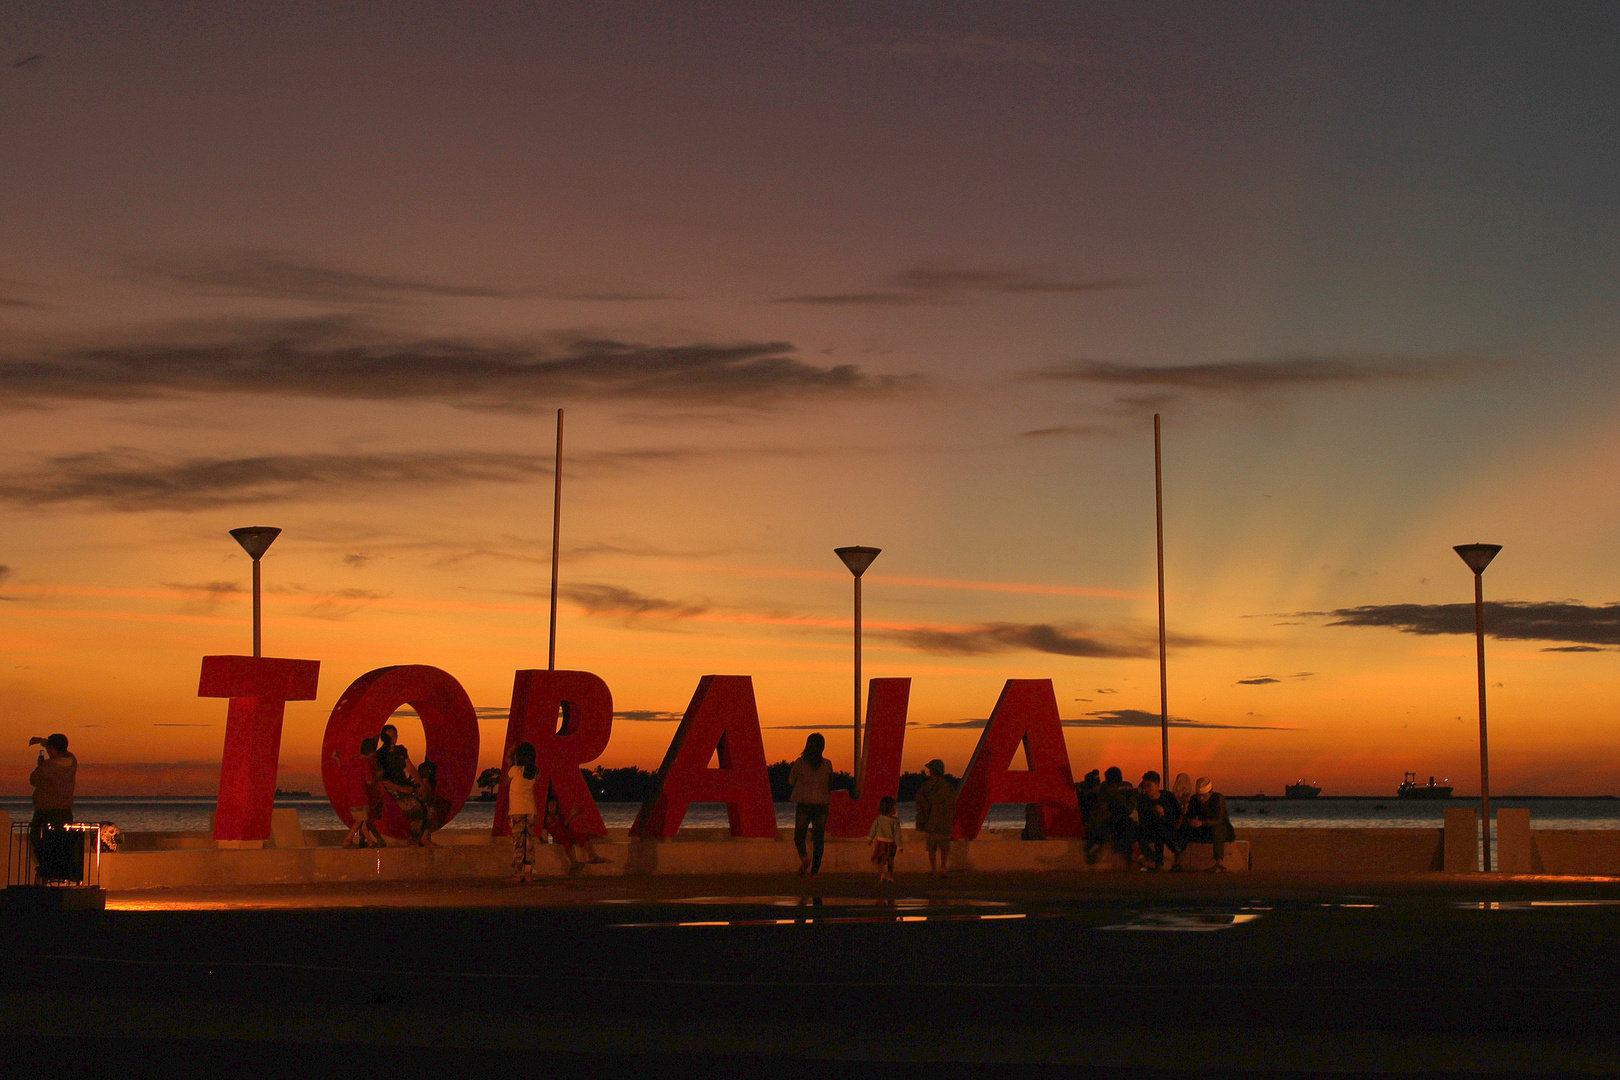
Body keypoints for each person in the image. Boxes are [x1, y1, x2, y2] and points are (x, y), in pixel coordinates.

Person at [28, 734, 77, 868]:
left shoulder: (48, 766)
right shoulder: (72, 761)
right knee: (61, 844)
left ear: (53, 749)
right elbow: (66, 752)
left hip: (46, 812)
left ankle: (45, 870)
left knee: (39, 843)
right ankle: (60, 874)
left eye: (50, 748)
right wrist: (45, 742)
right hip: (65, 811)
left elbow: (33, 780)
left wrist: (40, 766)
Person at [788, 733, 833, 876]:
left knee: (799, 835)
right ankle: (815, 869)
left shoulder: (800, 763)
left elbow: (790, 781)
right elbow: (830, 782)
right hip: (822, 804)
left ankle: (804, 857)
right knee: (819, 838)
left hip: (804, 803)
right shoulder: (827, 764)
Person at [376, 730, 428, 845]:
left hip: (405, 785)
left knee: (429, 805)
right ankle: (413, 839)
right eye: (390, 736)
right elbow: (382, 779)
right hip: (393, 788)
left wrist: (420, 785)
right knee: (416, 809)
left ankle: (423, 838)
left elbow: (411, 769)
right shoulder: (380, 755)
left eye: (394, 735)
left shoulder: (401, 750)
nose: (393, 738)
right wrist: (401, 789)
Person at [543, 786, 609, 871]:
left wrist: (572, 814)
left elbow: (565, 824)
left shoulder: (558, 815)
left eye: (555, 805)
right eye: (551, 805)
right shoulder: (548, 817)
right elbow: (555, 829)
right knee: (566, 843)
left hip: (565, 833)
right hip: (560, 836)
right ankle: (574, 863)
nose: (553, 807)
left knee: (581, 836)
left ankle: (592, 856)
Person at [339, 736, 386, 848]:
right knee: (360, 820)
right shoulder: (365, 764)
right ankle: (347, 840)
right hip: (361, 796)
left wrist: (337, 759)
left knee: (362, 820)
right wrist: (377, 776)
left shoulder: (352, 761)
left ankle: (370, 841)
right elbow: (369, 781)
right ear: (371, 752)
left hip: (351, 796)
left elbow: (343, 772)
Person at [913, 759, 957, 876]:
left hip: (930, 823)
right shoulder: (947, 787)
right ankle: (943, 867)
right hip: (944, 824)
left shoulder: (925, 787)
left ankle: (934, 870)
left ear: (932, 771)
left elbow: (920, 805)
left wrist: (921, 822)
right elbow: (951, 806)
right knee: (944, 847)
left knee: (932, 848)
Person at [1184, 776, 1236, 872]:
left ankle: (1219, 863)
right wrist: (1191, 821)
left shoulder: (1218, 798)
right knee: (1183, 828)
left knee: (1218, 829)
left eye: (1204, 796)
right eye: (1199, 795)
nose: (1201, 798)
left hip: (1219, 830)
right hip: (1202, 831)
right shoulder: (1194, 799)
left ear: (1210, 793)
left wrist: (1202, 823)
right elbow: (1188, 815)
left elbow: (1219, 819)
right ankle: (1179, 860)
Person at [1135, 770, 1183, 871]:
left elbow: (1178, 813)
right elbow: (1143, 818)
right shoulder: (1143, 800)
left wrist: (1164, 813)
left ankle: (1161, 863)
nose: (1147, 789)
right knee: (1158, 830)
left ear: (1157, 785)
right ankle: (1168, 856)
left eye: (1149, 786)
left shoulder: (1168, 797)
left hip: (1168, 827)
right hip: (1150, 829)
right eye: (1145, 786)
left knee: (1161, 830)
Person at [1100, 766, 1139, 868]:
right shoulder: (1127, 786)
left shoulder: (1105, 788)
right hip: (1119, 818)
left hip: (1115, 818)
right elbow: (1131, 805)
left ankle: (1131, 859)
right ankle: (1132, 860)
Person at [415, 760, 451, 847]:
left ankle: (424, 837)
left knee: (433, 807)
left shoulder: (426, 782)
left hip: (424, 802)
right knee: (431, 809)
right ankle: (425, 838)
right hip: (422, 803)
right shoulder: (422, 783)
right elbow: (421, 794)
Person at [868, 795, 901, 882]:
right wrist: (900, 845)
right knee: (890, 860)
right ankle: (890, 876)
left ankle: (882, 875)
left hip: (881, 842)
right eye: (895, 806)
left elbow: (874, 828)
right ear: (891, 808)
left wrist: (870, 838)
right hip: (891, 843)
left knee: (881, 860)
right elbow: (898, 834)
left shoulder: (879, 818)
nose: (896, 808)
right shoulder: (895, 821)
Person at [1168, 773, 1195, 871]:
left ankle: (1178, 861)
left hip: (1185, 825)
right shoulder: (1174, 798)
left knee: (1183, 832)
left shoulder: (1190, 799)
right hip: (1177, 824)